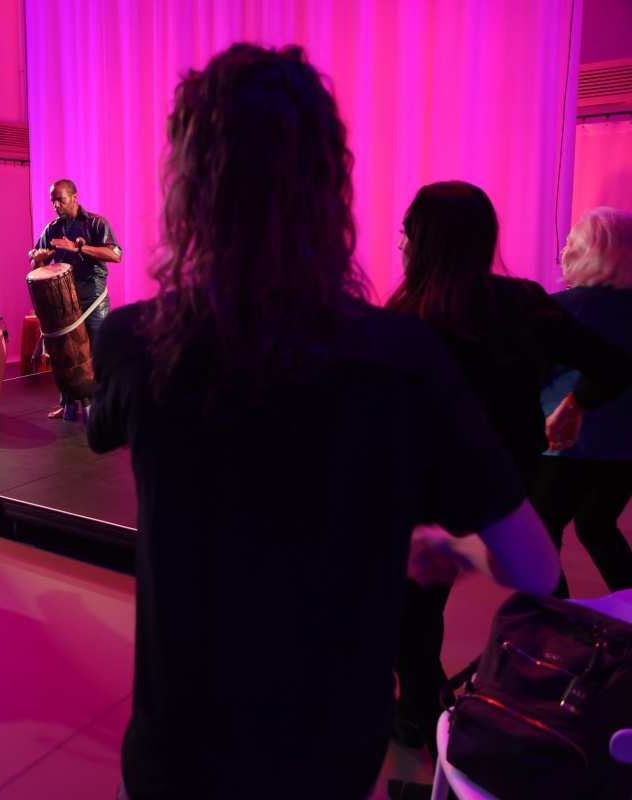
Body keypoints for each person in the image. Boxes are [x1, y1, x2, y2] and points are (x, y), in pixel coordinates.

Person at [86, 44, 560, 800]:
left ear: (189, 189)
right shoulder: (403, 358)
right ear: (328, 189)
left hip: (176, 754)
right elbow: (535, 569)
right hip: (330, 754)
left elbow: (102, 429)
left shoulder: (135, 341)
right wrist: (457, 547)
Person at [384, 183, 632, 759]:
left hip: (424, 496)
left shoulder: (406, 321)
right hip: (499, 488)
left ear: (422, 242)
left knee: (411, 626)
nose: (399, 242)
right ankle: (417, 716)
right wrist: (578, 405)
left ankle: (441, 733)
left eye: (406, 231)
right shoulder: (525, 301)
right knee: (429, 609)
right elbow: (617, 366)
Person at [536, 207, 632, 597]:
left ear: (587, 251)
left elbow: (533, 375)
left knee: (540, 540)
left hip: (565, 446)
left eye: (570, 242)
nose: (563, 250)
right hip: (625, 450)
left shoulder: (560, 309)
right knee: (597, 526)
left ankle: (559, 636)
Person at [29, 179, 122, 419]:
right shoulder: (52, 228)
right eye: (52, 200)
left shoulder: (95, 223)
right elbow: (36, 263)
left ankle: (103, 406)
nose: (56, 204)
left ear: (74, 197)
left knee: (96, 354)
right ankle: (67, 402)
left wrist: (78, 248)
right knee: (65, 354)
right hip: (63, 302)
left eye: (60, 199)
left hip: (93, 298)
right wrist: (39, 257)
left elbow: (115, 254)